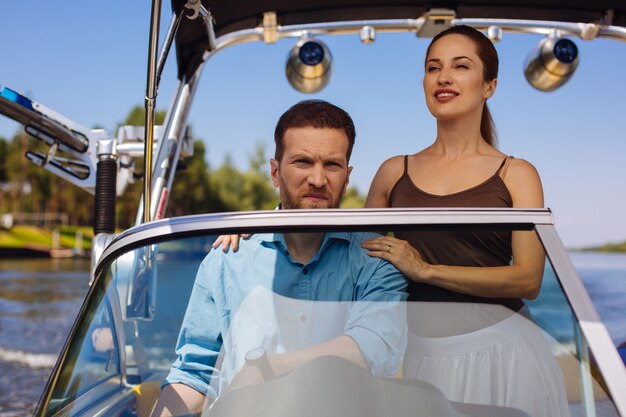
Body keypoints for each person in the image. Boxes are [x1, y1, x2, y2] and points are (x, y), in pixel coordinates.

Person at [360, 25, 570, 417]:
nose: (443, 77)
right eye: (433, 67)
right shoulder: (392, 172)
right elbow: (354, 262)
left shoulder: (517, 173)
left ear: (489, 86)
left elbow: (528, 279)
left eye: (460, 66)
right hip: (425, 362)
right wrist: (255, 228)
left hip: (506, 357)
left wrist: (425, 270)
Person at [150, 100, 407, 417]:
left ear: (348, 175)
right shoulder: (227, 259)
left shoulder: (377, 258)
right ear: (275, 172)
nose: (317, 179)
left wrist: (264, 368)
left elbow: (375, 346)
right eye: (302, 162)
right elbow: (195, 373)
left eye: (332, 165)